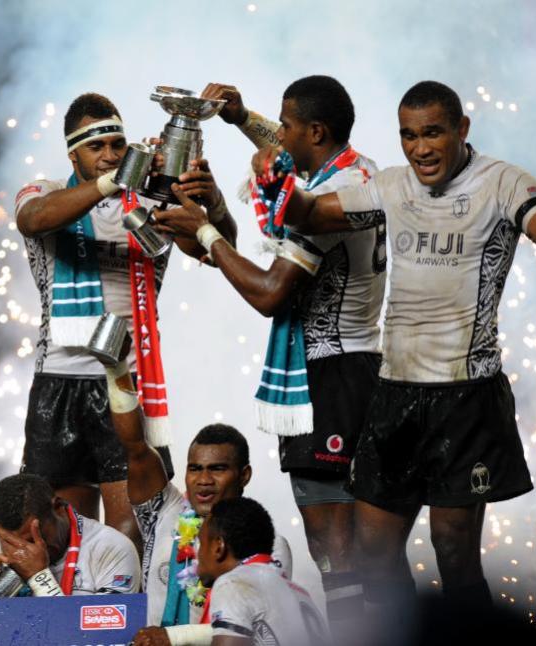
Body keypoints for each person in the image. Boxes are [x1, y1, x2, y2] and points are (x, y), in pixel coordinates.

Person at [271, 80, 536, 637]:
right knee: (373, 553)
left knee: (453, 552)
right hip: (393, 392)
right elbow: (305, 214)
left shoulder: (502, 181)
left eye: (433, 133)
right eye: (408, 135)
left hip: (465, 396)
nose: (420, 148)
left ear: (461, 129)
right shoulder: (391, 187)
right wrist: (274, 174)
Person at [158, 78, 383, 635]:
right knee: (365, 547)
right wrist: (239, 117)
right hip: (362, 368)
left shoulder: (320, 206)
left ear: (315, 132)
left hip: (326, 379)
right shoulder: (355, 170)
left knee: (334, 549)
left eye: (286, 125)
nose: (276, 136)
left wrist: (209, 232)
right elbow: (291, 150)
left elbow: (269, 294)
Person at [14, 92, 237, 541]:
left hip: (126, 380)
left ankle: (130, 613)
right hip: (58, 379)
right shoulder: (44, 193)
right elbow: (32, 220)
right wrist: (112, 182)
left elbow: (217, 249)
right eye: (97, 147)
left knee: (130, 528)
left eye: (118, 144)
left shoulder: (150, 205)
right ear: (72, 152)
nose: (110, 156)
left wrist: (211, 202)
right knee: (61, 533)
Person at [98, 344, 291, 646]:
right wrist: (116, 368)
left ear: (244, 475)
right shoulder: (164, 510)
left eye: (217, 469)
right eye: (195, 469)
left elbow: (254, 628)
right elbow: (135, 446)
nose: (203, 480)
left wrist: (172, 638)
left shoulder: (267, 544)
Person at [0, 473, 140, 598]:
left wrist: (39, 577)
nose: (25, 550)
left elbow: (106, 637)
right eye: (12, 542)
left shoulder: (113, 548)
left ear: (59, 508)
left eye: (35, 536)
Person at [197, 497, 329, 646]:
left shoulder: (233, 584)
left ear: (218, 547)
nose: (198, 555)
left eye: (201, 544)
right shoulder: (302, 594)